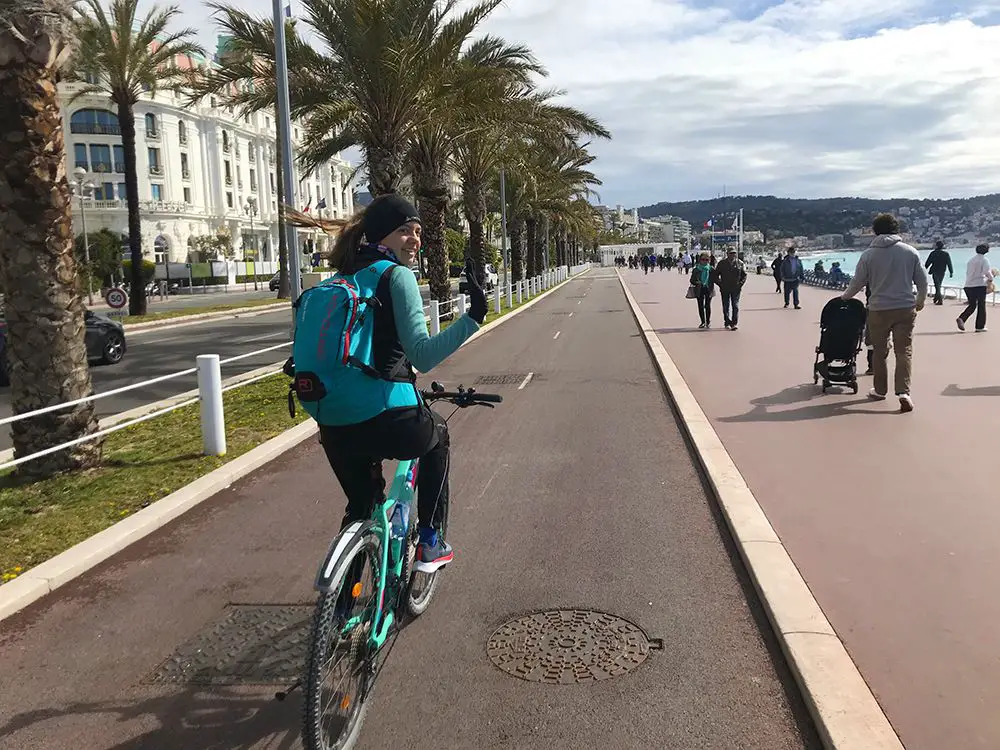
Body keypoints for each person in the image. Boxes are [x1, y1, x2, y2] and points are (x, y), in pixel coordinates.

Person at [314, 194, 487, 572]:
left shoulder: (343, 279)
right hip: (385, 415)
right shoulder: (397, 276)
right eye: (404, 231)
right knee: (437, 434)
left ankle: (342, 608)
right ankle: (429, 541)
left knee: (361, 507)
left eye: (419, 232)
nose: (415, 239)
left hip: (332, 424)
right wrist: (474, 316)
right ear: (381, 236)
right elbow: (422, 355)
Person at [842, 213, 927, 412]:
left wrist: (845, 297)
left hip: (878, 309)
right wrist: (920, 302)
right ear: (896, 229)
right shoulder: (910, 252)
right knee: (903, 351)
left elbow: (858, 282)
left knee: (880, 352)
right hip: (905, 308)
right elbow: (922, 282)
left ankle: (880, 390)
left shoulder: (868, 255)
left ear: (874, 231)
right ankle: (904, 392)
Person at [957, 244, 993, 333]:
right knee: (981, 305)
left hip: (968, 285)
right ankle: (980, 326)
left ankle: (962, 318)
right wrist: (991, 278)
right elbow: (986, 271)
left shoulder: (971, 260)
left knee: (972, 305)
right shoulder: (984, 260)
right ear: (986, 250)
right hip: (979, 285)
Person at [715, 248, 747, 330]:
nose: (732, 255)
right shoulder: (721, 263)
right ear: (727, 254)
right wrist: (720, 284)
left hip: (736, 288)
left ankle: (734, 323)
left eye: (734, 253)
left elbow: (744, 275)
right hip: (725, 288)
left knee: (735, 306)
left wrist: (740, 284)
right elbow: (715, 275)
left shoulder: (740, 263)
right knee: (726, 306)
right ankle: (727, 321)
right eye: (731, 253)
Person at [692, 251, 716, 329]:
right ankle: (702, 321)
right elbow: (691, 280)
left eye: (706, 260)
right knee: (700, 305)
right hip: (699, 288)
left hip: (709, 288)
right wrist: (696, 282)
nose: (704, 261)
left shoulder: (711, 269)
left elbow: (716, 279)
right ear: (700, 260)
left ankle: (708, 321)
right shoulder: (696, 269)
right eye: (703, 259)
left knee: (707, 305)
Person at [925, 240, 953, 305]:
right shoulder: (946, 254)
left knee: (937, 285)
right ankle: (936, 298)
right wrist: (951, 272)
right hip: (942, 271)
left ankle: (940, 300)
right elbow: (949, 263)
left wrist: (924, 269)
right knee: (938, 285)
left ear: (936, 246)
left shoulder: (933, 253)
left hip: (935, 271)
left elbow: (928, 262)